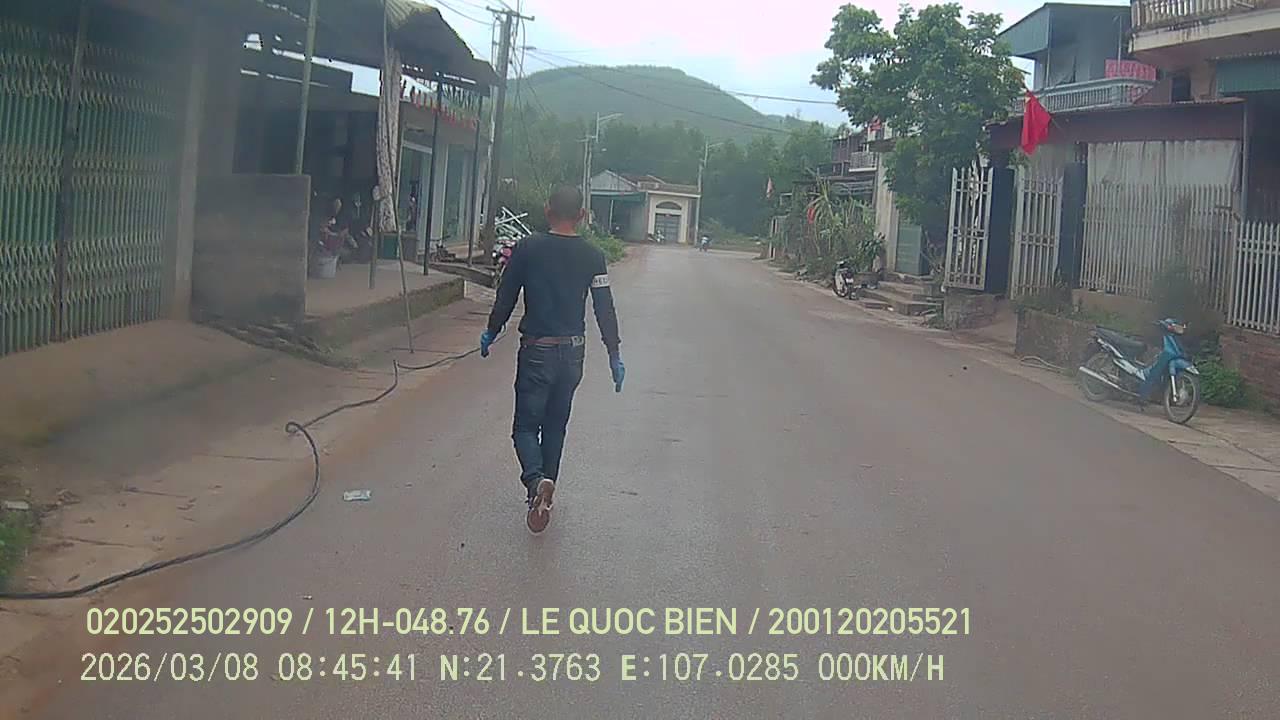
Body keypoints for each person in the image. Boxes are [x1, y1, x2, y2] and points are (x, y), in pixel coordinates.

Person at [480, 186, 625, 533]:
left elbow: (506, 295)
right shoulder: (593, 256)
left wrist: (491, 331)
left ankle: (535, 483)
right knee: (555, 427)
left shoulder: (527, 249)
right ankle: (545, 497)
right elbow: (604, 307)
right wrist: (614, 353)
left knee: (525, 428)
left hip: (538, 350)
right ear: (582, 216)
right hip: (573, 352)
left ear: (547, 211)